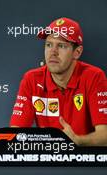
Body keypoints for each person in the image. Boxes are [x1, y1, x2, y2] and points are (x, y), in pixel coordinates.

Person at [10, 17, 107, 146]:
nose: (53, 52)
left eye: (61, 46)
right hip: (47, 160)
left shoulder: (94, 77)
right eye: (49, 45)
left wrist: (78, 141)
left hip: (85, 160)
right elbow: (15, 134)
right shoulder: (32, 79)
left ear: (77, 52)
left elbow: (104, 135)